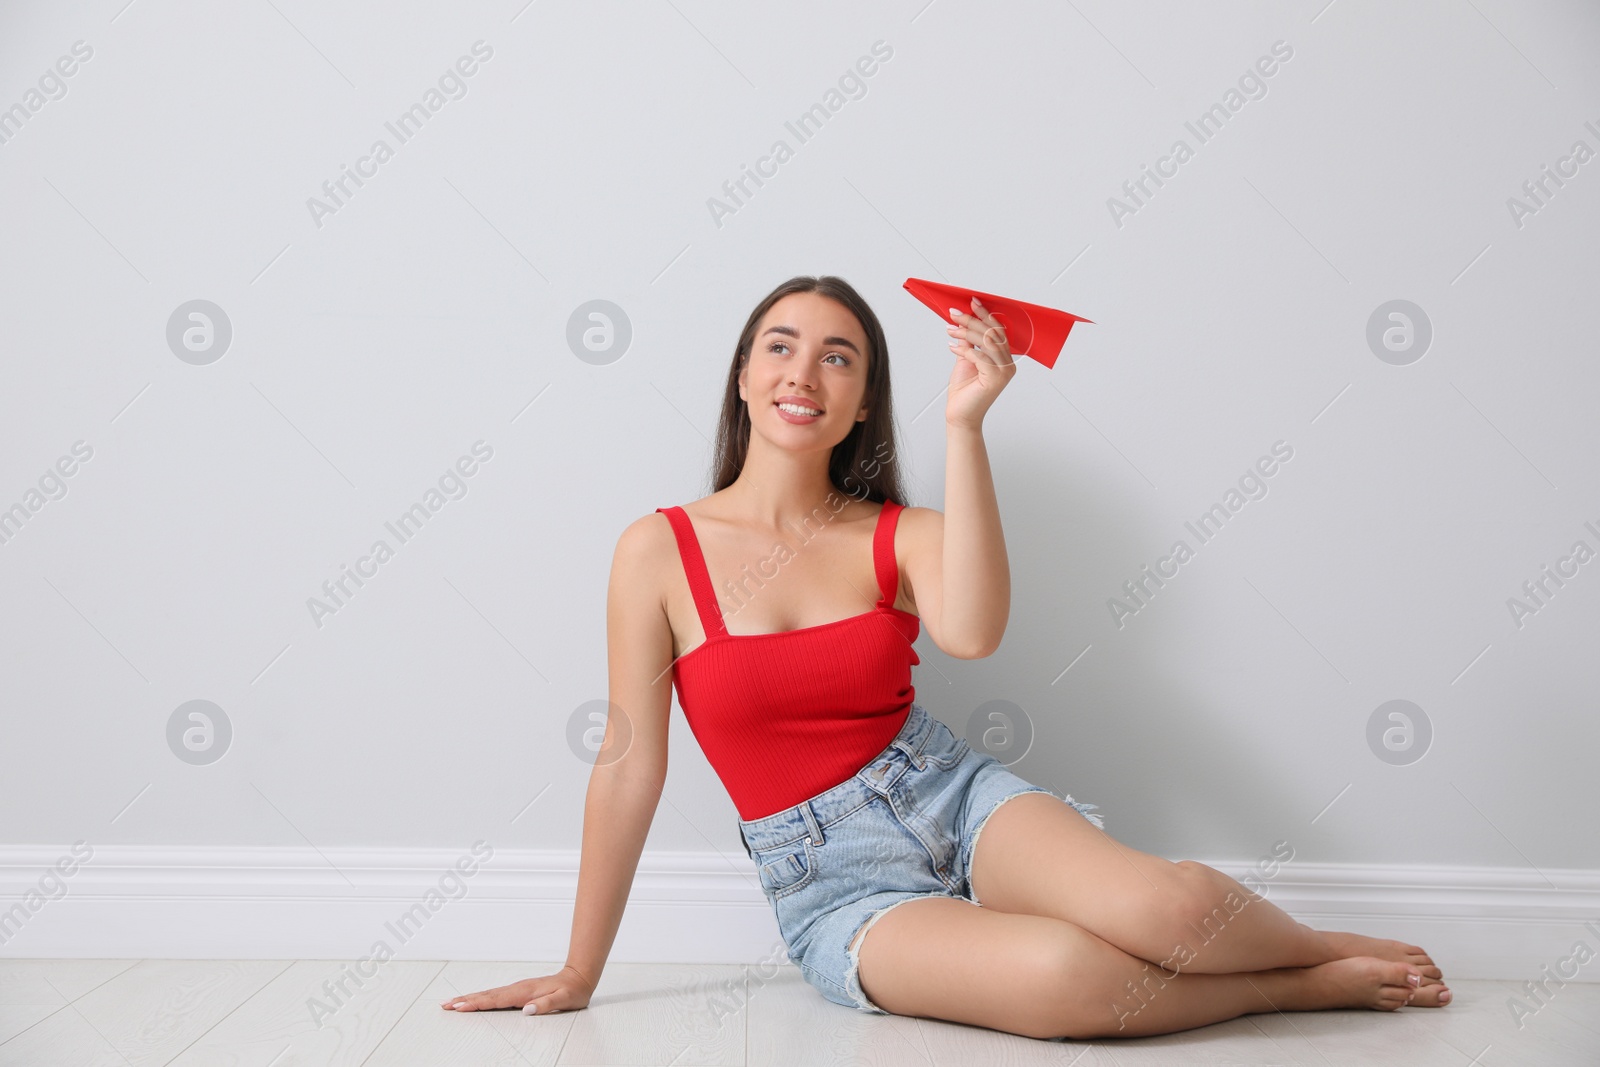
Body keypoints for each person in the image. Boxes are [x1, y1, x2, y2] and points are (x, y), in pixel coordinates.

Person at [441, 275, 1450, 1039]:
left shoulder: (898, 532)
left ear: (865, 399)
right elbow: (628, 764)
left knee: (1168, 904)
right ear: (744, 375)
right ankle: (1300, 983)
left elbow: (972, 631)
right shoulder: (655, 550)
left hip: (953, 793)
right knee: (1068, 978)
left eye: (839, 357)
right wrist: (580, 968)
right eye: (780, 346)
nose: (804, 372)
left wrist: (966, 421)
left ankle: (1319, 943)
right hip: (833, 883)